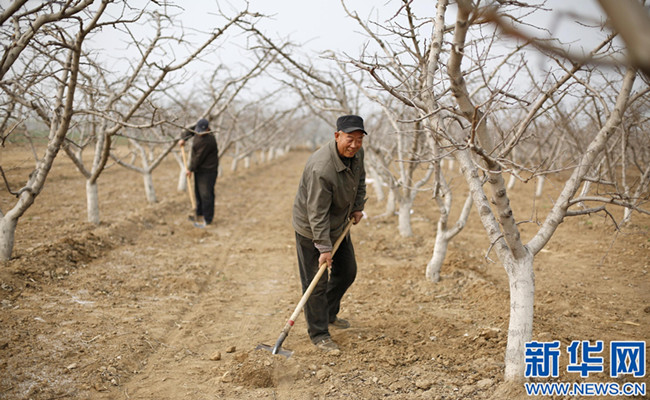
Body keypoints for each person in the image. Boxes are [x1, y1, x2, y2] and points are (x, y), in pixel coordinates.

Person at [292, 114, 367, 352]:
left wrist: (357, 205)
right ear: (336, 136)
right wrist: (323, 248)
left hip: (338, 222)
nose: (354, 144)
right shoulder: (321, 168)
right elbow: (316, 213)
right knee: (316, 283)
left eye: (358, 139)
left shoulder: (357, 154)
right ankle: (319, 333)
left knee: (347, 271)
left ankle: (329, 313)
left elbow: (360, 179)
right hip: (312, 228)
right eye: (349, 138)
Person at [179, 118, 219, 228]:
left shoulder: (208, 141)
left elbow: (198, 158)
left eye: (202, 132)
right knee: (198, 193)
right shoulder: (197, 130)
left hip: (208, 171)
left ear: (207, 129)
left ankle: (207, 219)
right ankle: (199, 215)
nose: (199, 134)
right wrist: (184, 139)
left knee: (206, 194)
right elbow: (190, 130)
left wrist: (190, 169)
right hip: (200, 170)